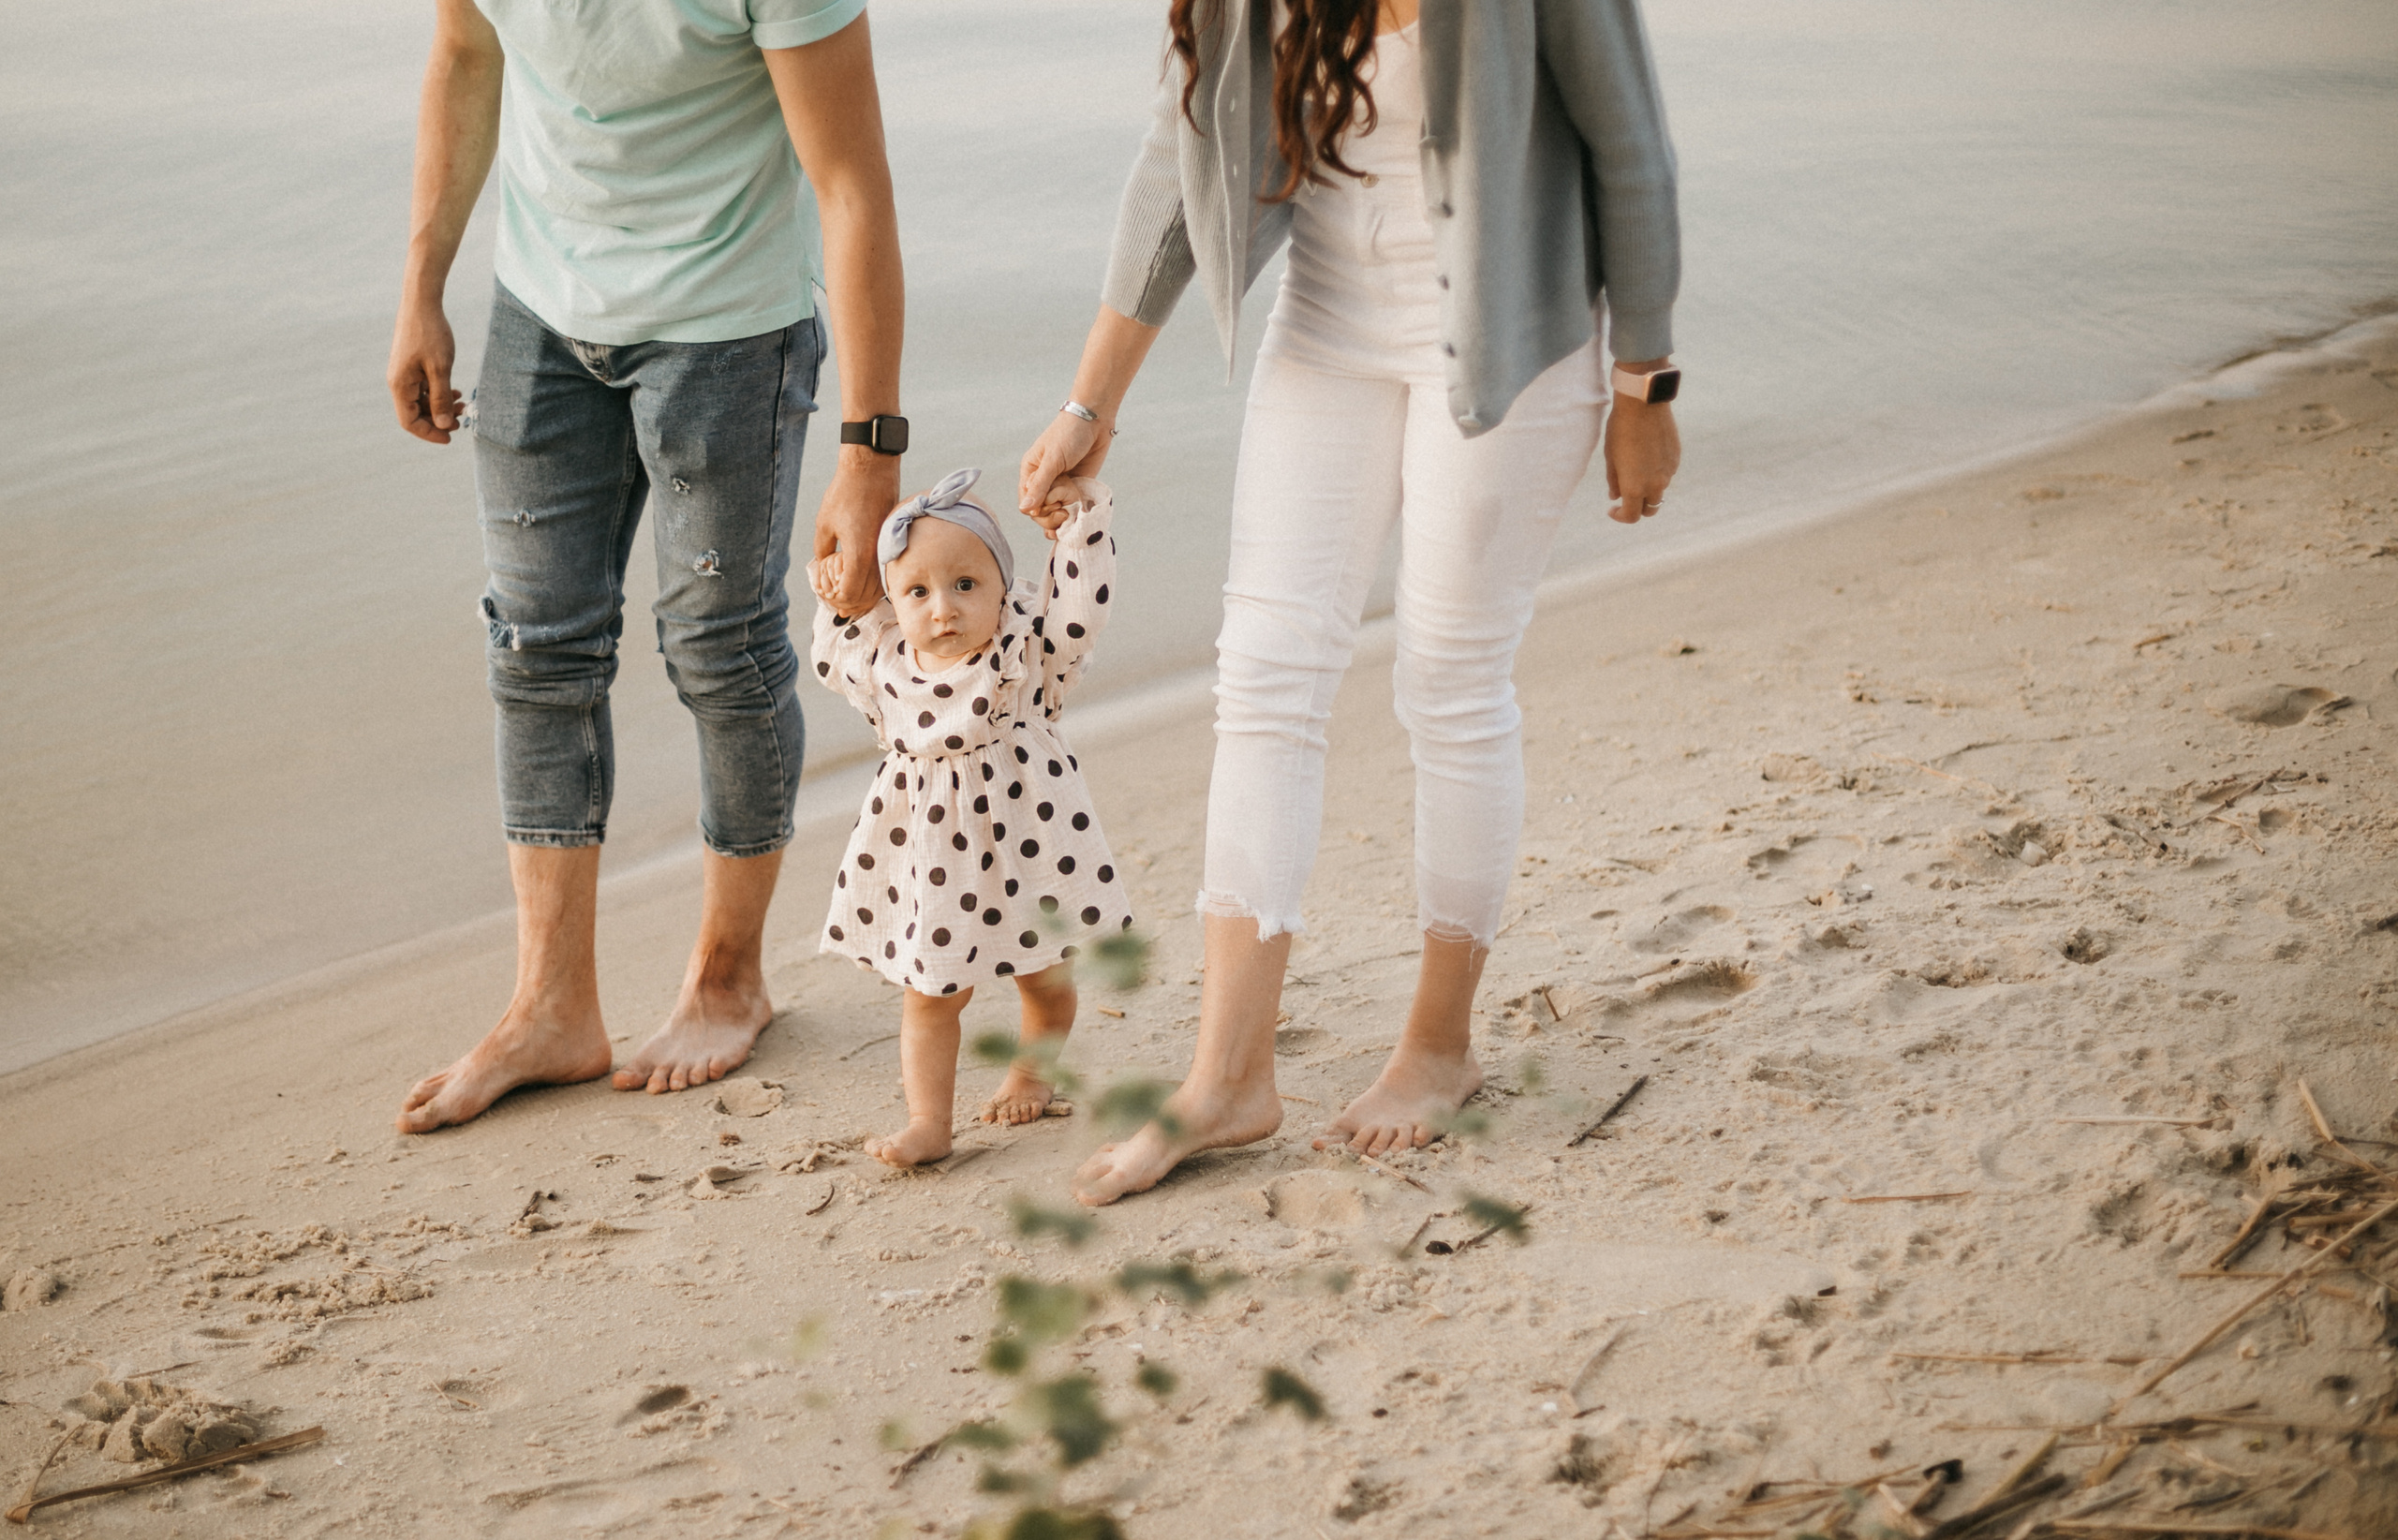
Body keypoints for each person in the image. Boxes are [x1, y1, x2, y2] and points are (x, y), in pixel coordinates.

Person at [1015, 0, 1683, 1204]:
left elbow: (1630, 148)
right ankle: (1227, 1081)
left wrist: (1645, 385)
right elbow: (1179, 158)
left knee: (1450, 679)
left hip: (1509, 341)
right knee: (1263, 677)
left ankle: (1437, 1049)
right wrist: (1089, 405)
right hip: (1324, 324)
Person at [387, 0, 908, 1133]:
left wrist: (870, 452)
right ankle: (552, 1008)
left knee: (717, 648)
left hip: (728, 329)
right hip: (539, 312)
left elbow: (852, 186)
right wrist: (423, 282)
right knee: (535, 649)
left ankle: (730, 979)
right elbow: (466, 55)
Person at [807, 469, 1133, 1167]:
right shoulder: (885, 662)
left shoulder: (1025, 654)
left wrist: (1076, 526)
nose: (943, 610)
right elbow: (831, 653)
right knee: (932, 993)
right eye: (918, 592)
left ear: (1003, 587)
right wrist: (837, 586)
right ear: (892, 599)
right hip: (932, 856)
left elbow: (1081, 608)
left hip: (1031, 843)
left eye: (966, 585)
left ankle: (1033, 1070)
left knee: (1045, 979)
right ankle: (930, 1121)